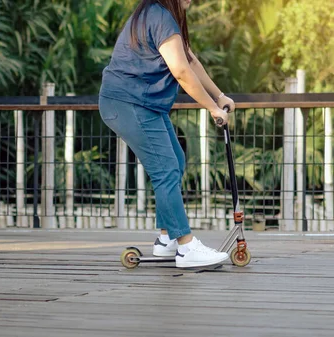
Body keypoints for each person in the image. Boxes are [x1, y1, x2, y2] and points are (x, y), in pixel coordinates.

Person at [98, 0, 235, 268]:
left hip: (144, 104)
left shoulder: (161, 15)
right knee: (166, 169)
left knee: (176, 160)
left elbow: (190, 61)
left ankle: (166, 239)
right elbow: (181, 71)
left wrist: (219, 96)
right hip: (128, 103)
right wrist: (211, 108)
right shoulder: (159, 16)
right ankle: (186, 247)